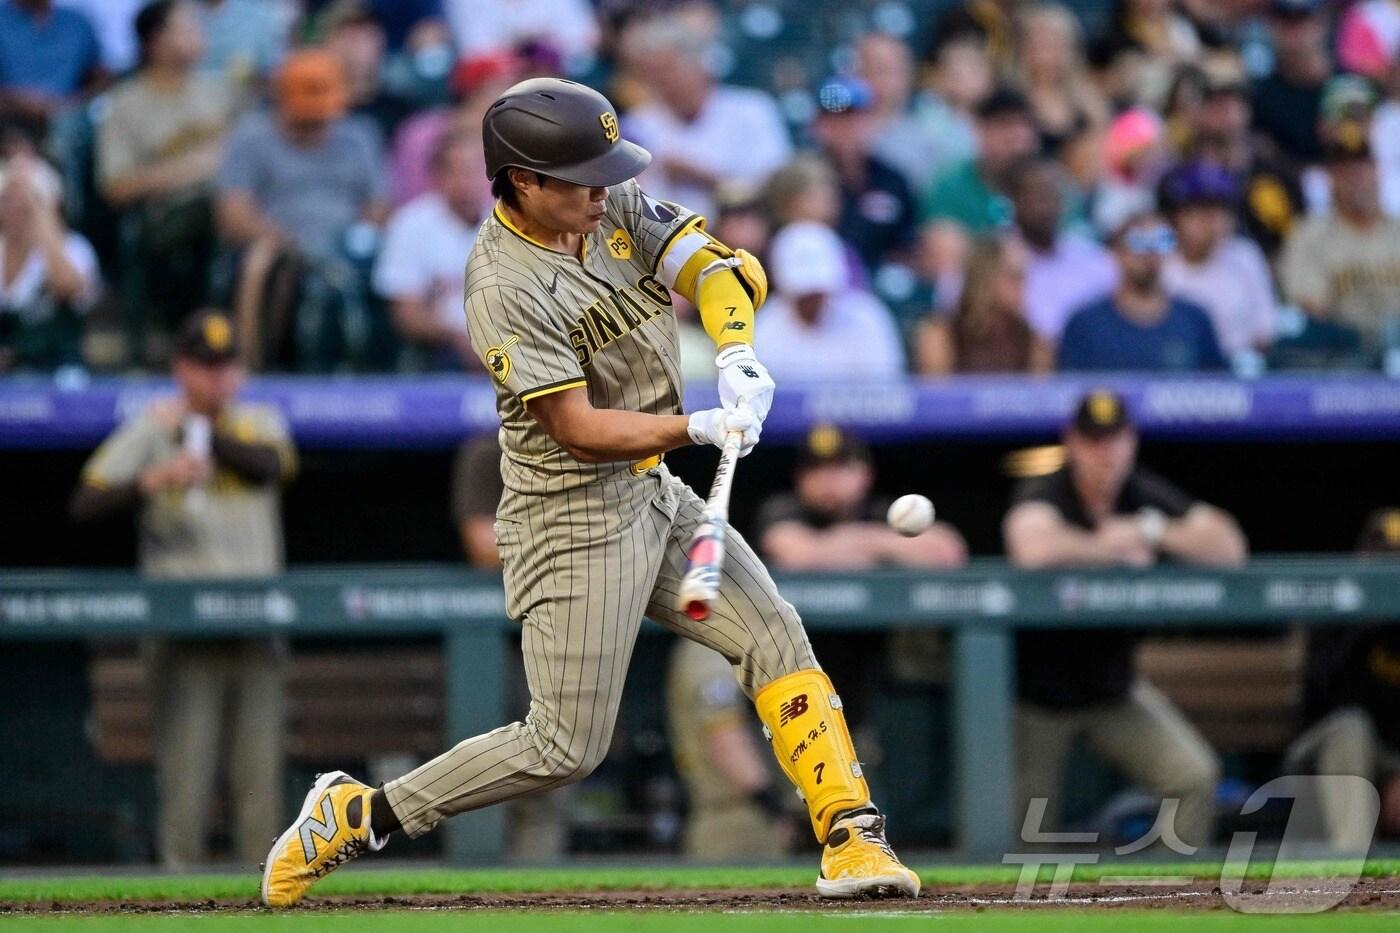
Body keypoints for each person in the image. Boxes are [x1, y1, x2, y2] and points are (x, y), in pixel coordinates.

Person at [261, 77, 921, 906]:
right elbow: (576, 425)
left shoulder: (603, 202)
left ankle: (852, 836)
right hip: (569, 511)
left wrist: (736, 353)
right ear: (523, 180)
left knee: (776, 637)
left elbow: (713, 265)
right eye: (580, 174)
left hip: (652, 489)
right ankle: (360, 813)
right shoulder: (500, 283)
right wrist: (698, 428)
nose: (602, 187)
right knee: (564, 745)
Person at [70, 310, 296, 868]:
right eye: (204, 367)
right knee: (186, 784)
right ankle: (176, 904)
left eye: (226, 367)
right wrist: (150, 478)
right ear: (180, 368)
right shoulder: (150, 427)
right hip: (183, 630)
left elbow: (270, 467)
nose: (217, 379)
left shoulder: (257, 421)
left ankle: (265, 904)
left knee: (258, 788)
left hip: (255, 626)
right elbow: (85, 503)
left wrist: (201, 436)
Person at [1003, 389, 1244, 850]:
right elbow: (1031, 545)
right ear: (1072, 442)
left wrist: (1149, 529)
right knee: (1023, 833)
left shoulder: (1141, 494)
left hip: (1115, 691)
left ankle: (1170, 895)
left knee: (1193, 776)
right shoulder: (1049, 487)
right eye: (1094, 441)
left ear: (1130, 441)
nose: (1106, 453)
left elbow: (1229, 546)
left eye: (1114, 439)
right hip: (1038, 700)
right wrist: (1109, 549)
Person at [450, 430, 573, 860]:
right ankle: (472, 904)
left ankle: (537, 906)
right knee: (485, 778)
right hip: (501, 638)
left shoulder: (581, 448)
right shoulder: (490, 450)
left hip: (563, 630)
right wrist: (574, 543)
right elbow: (484, 546)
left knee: (553, 782)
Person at [99, 0, 235, 333]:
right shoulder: (125, 102)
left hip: (228, 209)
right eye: (187, 28)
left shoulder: (217, 91)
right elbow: (115, 188)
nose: (199, 35)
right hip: (162, 217)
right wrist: (194, 168)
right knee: (217, 208)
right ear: (156, 42)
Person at [1287, 507, 1400, 852]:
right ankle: (1350, 873)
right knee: (1351, 728)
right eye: (1384, 562)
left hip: (1391, 760)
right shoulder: (1337, 608)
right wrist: (1363, 627)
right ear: (1363, 557)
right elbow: (1319, 704)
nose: (1391, 574)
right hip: (1322, 754)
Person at [623, 17, 791, 222]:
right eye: (652, 72)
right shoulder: (637, 125)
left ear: (700, 65)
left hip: (750, 232)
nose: (662, 80)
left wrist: (702, 177)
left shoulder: (752, 109)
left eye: (668, 69)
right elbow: (632, 203)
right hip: (668, 241)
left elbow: (776, 187)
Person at [755, 425, 966, 572]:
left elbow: (947, 552)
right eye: (815, 468)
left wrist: (849, 545)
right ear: (799, 478)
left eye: (840, 467)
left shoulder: (881, 511)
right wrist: (886, 549)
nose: (826, 479)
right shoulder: (783, 508)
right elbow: (800, 557)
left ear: (866, 476)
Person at [667, 637, 796, 860]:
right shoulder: (709, 648)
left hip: (737, 815)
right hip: (735, 821)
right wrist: (773, 806)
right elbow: (724, 738)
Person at [1279, 123, 1400, 356]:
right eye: (1346, 171)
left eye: (1364, 167)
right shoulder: (1310, 234)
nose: (1357, 179)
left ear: (1377, 172)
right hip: (1345, 358)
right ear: (1331, 179)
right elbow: (1313, 310)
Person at [373, 130, 488, 370]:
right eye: (456, 171)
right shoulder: (411, 224)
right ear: (438, 177)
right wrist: (461, 339)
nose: (466, 181)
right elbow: (406, 315)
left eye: (475, 170)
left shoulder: (515, 224)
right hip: (442, 351)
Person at [1058, 212, 1227, 372]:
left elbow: (1221, 387)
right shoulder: (1084, 324)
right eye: (1138, 242)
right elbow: (1070, 392)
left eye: (1161, 241)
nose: (1150, 251)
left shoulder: (1195, 320)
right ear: (1116, 252)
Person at [754, 221, 906, 382]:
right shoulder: (764, 329)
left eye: (819, 291)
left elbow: (888, 393)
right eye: (803, 294)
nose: (812, 299)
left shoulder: (866, 317)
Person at [1159, 160, 1277, 356]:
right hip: (1175, 373)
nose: (1212, 220)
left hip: (1238, 373)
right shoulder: (1159, 261)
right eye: (1200, 209)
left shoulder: (1244, 256)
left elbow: (1265, 333)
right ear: (1175, 216)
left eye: (1219, 208)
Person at [807, 75, 917, 273]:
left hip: (883, 282)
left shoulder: (892, 180)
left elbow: (908, 245)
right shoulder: (803, 180)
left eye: (853, 116)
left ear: (870, 120)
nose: (845, 127)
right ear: (818, 125)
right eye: (835, 118)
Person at [0, 155, 100, 371]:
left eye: (26, 199)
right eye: (7, 198)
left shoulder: (75, 247)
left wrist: (42, 217)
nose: (16, 207)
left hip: (57, 370)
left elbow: (67, 287)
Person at [854, 31, 978, 200]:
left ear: (907, 76)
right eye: (867, 69)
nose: (877, 80)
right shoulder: (836, 130)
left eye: (886, 70)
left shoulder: (935, 131)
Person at [1008, 155, 1118, 343]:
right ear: (1015, 199)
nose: (1044, 204)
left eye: (1051, 193)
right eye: (1036, 194)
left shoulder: (1093, 260)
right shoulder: (994, 258)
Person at [915, 234, 1052, 375]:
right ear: (985, 278)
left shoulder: (1034, 342)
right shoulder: (941, 336)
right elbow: (936, 394)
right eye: (1015, 277)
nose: (1023, 287)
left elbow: (1039, 394)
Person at [922, 86, 1040, 236]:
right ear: (980, 129)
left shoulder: (1053, 186)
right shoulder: (950, 186)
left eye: (1025, 125)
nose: (1017, 136)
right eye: (1005, 124)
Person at [0, 0, 107, 135]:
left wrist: (70, 105)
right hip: (9, 125)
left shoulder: (77, 23)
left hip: (70, 124)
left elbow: (102, 80)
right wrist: (19, 102)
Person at [1014, 3, 1108, 156]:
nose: (1045, 56)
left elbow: (1102, 152)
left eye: (1054, 46)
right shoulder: (1014, 99)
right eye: (1039, 46)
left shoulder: (1089, 102)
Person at [1251, 0, 1334, 165]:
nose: (1295, 30)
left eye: (1302, 18)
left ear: (1322, 21)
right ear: (1271, 25)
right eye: (1286, 19)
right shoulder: (1261, 99)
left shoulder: (1352, 85)